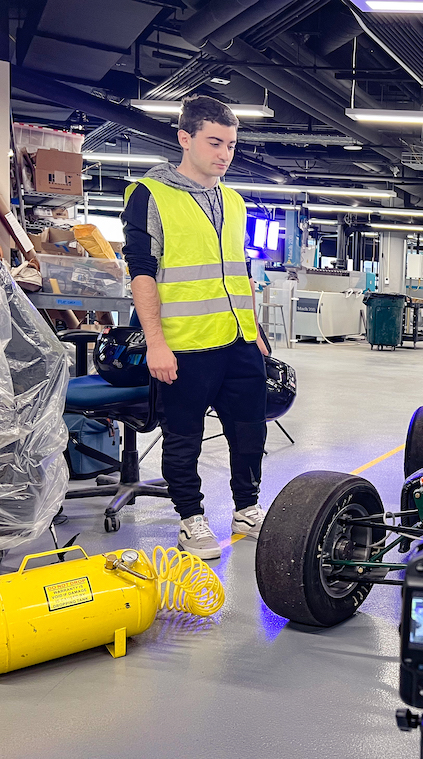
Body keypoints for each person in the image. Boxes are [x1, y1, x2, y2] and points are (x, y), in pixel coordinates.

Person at [122, 95, 269, 560]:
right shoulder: (150, 195)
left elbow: (239, 270)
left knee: (250, 432)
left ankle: (247, 509)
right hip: (184, 344)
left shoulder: (234, 200)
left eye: (231, 144)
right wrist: (155, 343)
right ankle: (190, 518)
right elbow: (142, 274)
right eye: (214, 142)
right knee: (184, 436)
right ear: (185, 139)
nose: (225, 154)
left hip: (238, 339)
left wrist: (256, 330)